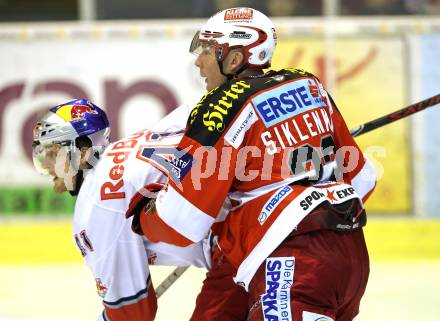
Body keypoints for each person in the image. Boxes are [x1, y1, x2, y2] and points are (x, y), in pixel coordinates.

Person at [127, 7, 377, 321]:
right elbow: (363, 180)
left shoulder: (221, 105)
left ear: (234, 59)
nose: (198, 62)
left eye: (207, 51)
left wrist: (145, 213)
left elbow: (182, 222)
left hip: (291, 264)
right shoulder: (309, 85)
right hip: (350, 258)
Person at [31, 99, 212, 321]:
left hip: (236, 242)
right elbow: (196, 110)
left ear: (82, 149)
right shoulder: (131, 144)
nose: (46, 164)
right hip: (248, 214)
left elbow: (132, 313)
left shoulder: (94, 209)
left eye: (53, 153)